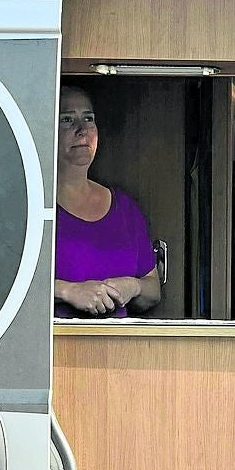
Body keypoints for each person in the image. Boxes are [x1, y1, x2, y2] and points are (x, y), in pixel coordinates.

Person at [53, 84, 161, 318]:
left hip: (116, 349)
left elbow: (153, 289)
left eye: (88, 118)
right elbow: (0, 283)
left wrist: (133, 286)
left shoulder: (124, 208)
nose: (82, 130)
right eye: (67, 119)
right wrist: (67, 291)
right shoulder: (33, 206)